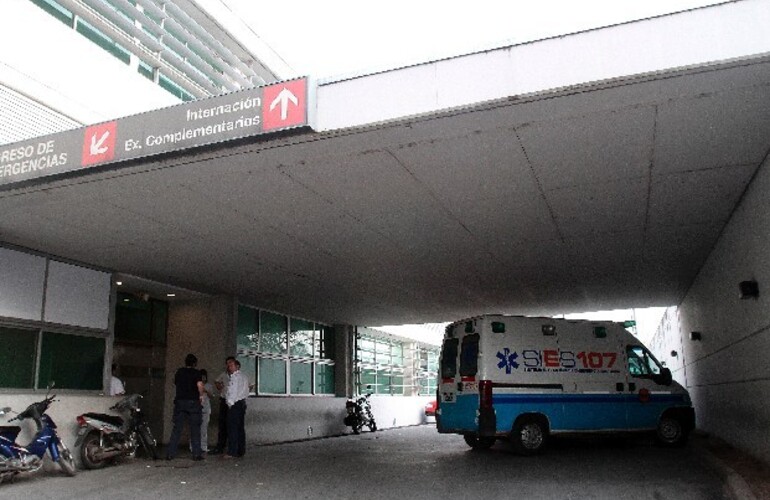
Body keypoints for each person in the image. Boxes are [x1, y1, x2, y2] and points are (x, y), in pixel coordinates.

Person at [166, 353, 205, 461]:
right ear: (194, 363)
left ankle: (170, 453)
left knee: (177, 429)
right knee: (195, 429)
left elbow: (175, 383)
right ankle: (196, 454)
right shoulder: (196, 373)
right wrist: (201, 395)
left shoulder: (179, 372)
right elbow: (200, 385)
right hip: (193, 402)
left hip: (180, 401)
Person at [224, 358, 249, 458]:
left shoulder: (235, 377)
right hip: (242, 403)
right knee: (240, 428)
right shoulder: (244, 376)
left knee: (232, 428)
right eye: (228, 365)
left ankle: (232, 451)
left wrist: (230, 403)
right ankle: (240, 450)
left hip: (235, 404)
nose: (229, 367)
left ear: (237, 366)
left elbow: (233, 392)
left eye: (231, 365)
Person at [210, 356, 235, 455]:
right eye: (227, 363)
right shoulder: (224, 375)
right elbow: (216, 381)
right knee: (222, 424)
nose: (229, 365)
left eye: (231, 363)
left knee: (232, 425)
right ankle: (220, 446)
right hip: (224, 400)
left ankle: (232, 447)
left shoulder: (238, 375)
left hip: (233, 402)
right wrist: (220, 388)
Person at [191, 369, 214, 454]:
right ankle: (193, 446)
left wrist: (206, 391)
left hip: (206, 408)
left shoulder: (208, 385)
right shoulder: (195, 385)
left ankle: (203, 446)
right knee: (195, 428)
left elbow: (212, 396)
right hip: (196, 408)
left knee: (204, 429)